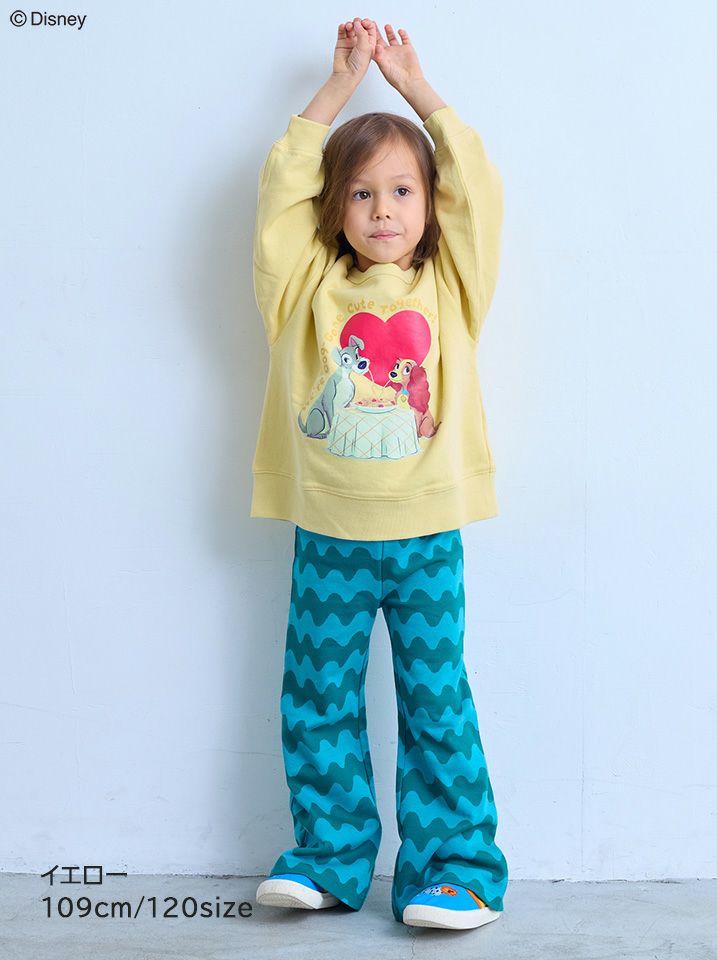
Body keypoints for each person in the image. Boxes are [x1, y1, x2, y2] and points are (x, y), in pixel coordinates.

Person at [251, 18, 508, 930]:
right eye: (361, 194)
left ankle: (459, 871)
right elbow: (280, 197)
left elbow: (477, 188)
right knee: (318, 700)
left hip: (426, 532)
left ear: (431, 206)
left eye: (403, 191)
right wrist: (336, 88)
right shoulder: (304, 288)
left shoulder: (452, 286)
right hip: (330, 534)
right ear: (335, 209)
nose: (384, 210)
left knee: (437, 704)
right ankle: (328, 860)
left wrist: (415, 90)